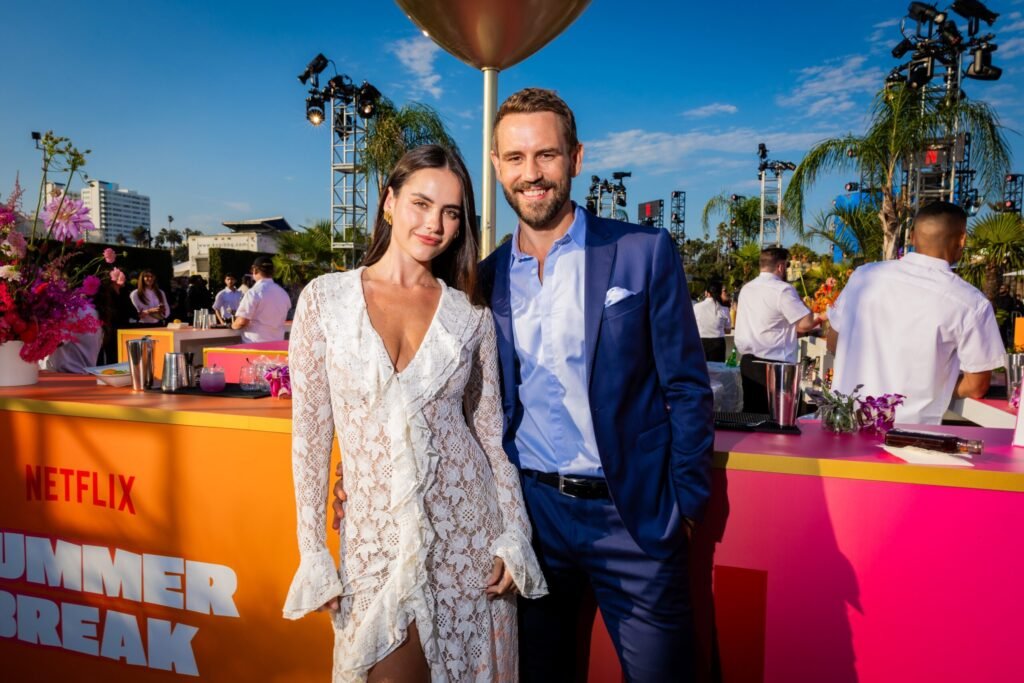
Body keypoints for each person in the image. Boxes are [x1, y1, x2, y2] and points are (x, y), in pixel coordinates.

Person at [284, 144, 546, 682]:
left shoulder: (469, 314)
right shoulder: (324, 301)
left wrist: (513, 535)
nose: (434, 225)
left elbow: (490, 436)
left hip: (466, 537)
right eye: (421, 204)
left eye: (451, 213)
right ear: (389, 202)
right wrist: (313, 552)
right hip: (374, 540)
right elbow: (310, 437)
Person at [827, 201, 1004, 424]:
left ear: (911, 236)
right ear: (962, 239)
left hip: (843, 423)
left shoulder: (863, 277)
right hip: (909, 434)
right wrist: (935, 388)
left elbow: (833, 342)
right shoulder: (971, 303)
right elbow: (976, 385)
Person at [733, 247, 822, 413]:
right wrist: (807, 306)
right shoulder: (782, 289)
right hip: (774, 365)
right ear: (780, 266)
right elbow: (806, 323)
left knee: (753, 416)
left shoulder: (747, 288)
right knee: (777, 418)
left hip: (748, 363)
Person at [231, 257, 291, 343]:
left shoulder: (253, 292)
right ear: (273, 272)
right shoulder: (283, 293)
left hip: (255, 345)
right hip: (277, 344)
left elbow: (242, 321)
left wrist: (232, 325)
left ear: (255, 270)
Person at [693, 279, 731, 362]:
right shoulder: (724, 309)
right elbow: (728, 330)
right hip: (718, 343)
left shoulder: (696, 307)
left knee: (702, 368)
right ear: (720, 293)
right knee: (717, 368)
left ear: (707, 293)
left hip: (701, 342)